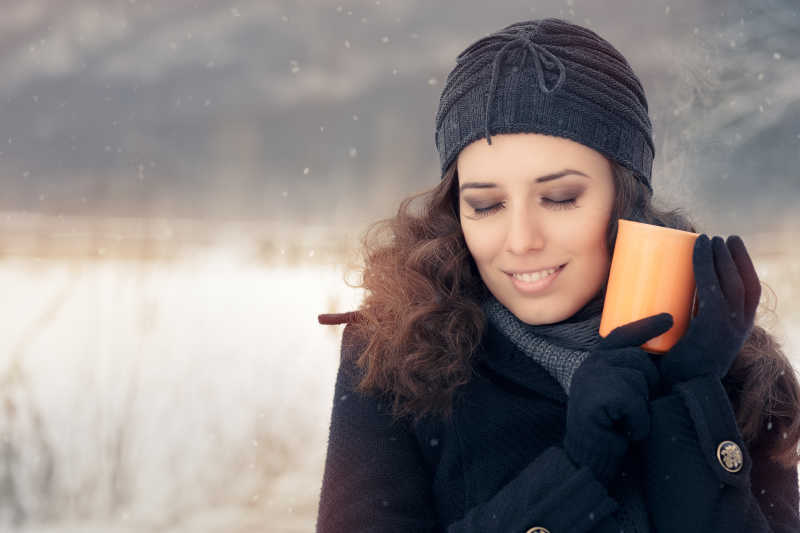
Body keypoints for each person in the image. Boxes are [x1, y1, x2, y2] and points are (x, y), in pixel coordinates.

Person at [315, 18, 800, 533]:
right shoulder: (395, 354)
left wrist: (687, 403)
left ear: (625, 199)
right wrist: (575, 470)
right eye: (485, 204)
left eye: (561, 198)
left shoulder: (729, 361)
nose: (522, 239)